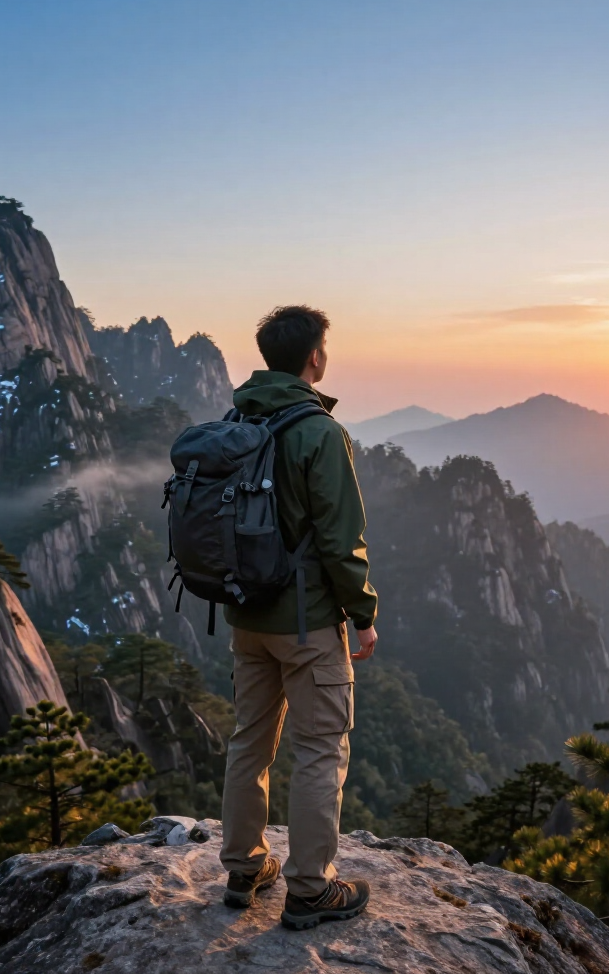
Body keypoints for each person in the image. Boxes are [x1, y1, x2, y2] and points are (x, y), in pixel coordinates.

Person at [219, 305, 379, 930]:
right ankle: (311, 889)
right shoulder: (318, 431)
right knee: (319, 749)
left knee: (249, 741)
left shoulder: (238, 418)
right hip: (307, 624)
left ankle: (243, 868)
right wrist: (362, 615)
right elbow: (343, 541)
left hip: (245, 618)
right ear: (314, 357)